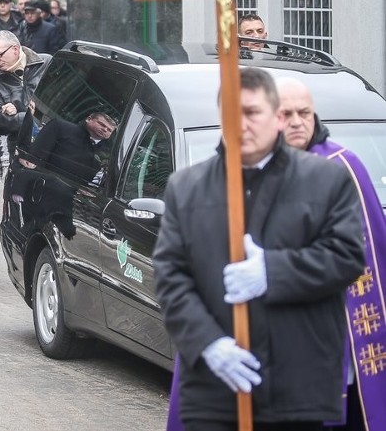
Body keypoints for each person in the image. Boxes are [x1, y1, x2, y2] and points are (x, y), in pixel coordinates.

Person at [154, 67, 365, 431]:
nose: (242, 124)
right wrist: (209, 344)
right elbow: (171, 277)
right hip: (214, 389)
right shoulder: (187, 187)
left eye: (252, 113)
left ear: (275, 117)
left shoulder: (325, 179)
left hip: (297, 390)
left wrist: (273, 271)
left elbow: (347, 257)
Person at [277, 78, 386, 431]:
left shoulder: (344, 165)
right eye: (286, 113)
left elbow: (372, 252)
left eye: (304, 113)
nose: (297, 121)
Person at [0, 30, 51, 153]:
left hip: (52, 139)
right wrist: (28, 117)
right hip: (20, 147)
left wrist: (20, 113)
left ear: (15, 50)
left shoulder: (46, 63)